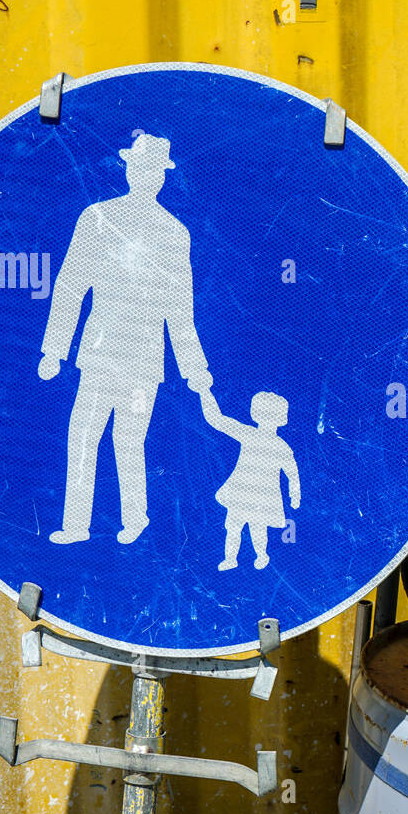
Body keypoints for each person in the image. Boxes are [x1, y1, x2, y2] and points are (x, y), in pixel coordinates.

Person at [37, 133, 212, 545]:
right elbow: (70, 286)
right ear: (128, 169)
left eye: (153, 171)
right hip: (99, 355)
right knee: (83, 435)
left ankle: (134, 521)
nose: (145, 176)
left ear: (162, 178)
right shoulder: (97, 218)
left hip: (143, 362)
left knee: (129, 440)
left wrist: (195, 369)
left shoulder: (175, 233)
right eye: (139, 167)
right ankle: (76, 525)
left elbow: (180, 310)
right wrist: (53, 349)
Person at [199, 390, 300, 570]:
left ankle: (259, 555)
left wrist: (205, 393)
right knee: (236, 526)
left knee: (253, 528)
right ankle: (233, 559)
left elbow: (218, 420)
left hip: (256, 495)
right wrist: (205, 394)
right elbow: (218, 421)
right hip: (243, 492)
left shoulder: (276, 444)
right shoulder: (261, 438)